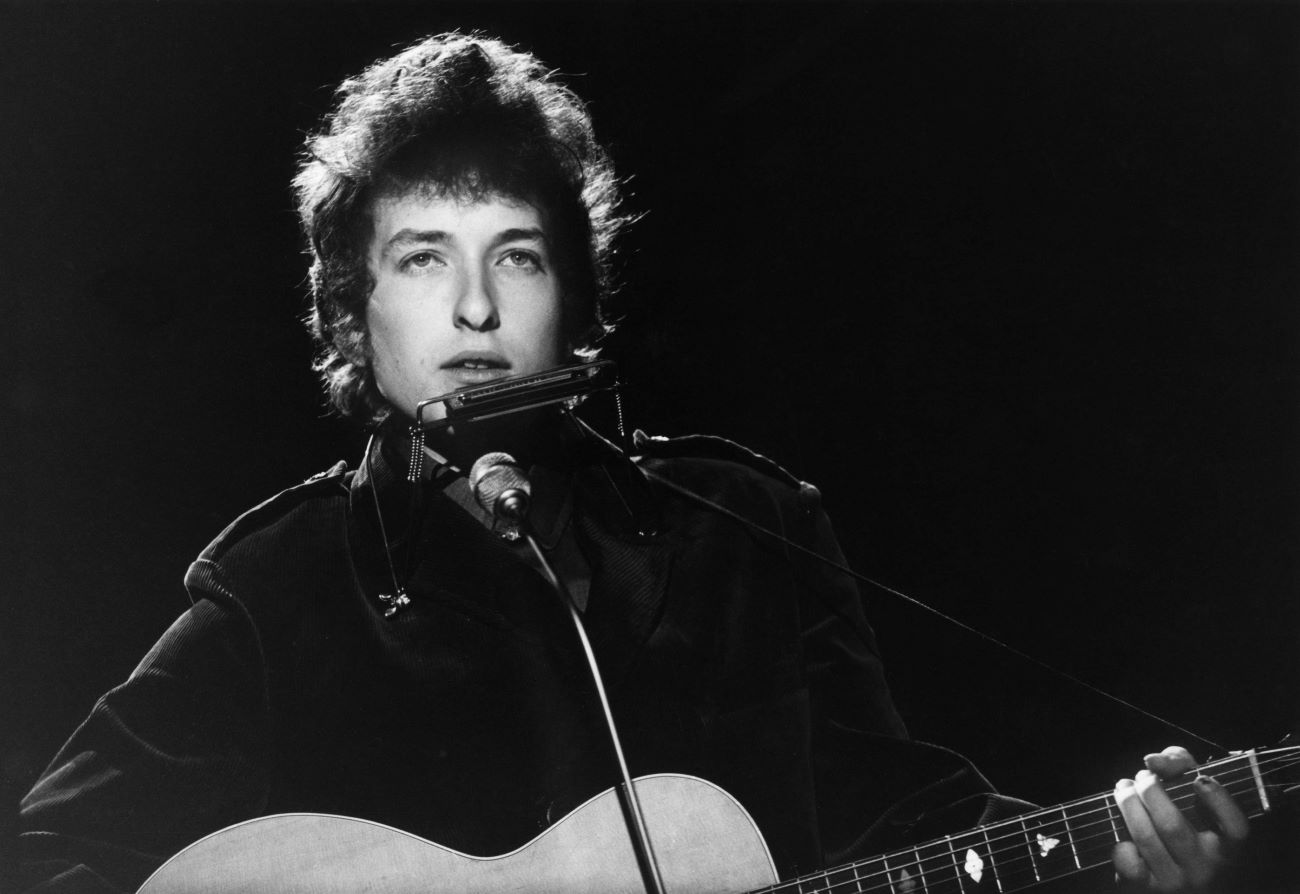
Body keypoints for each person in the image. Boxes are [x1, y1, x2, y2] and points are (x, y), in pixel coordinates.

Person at [14, 32, 1249, 894]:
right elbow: (51, 856)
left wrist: (1126, 855)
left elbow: (901, 817)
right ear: (352, 316)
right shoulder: (278, 583)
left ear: (577, 300)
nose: (477, 315)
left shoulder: (744, 521)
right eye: (422, 259)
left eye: (520, 256)